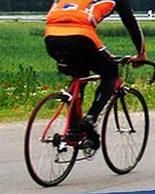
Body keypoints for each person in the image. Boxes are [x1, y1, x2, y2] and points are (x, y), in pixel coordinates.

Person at [43, 0, 146, 149]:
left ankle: (73, 129)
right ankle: (90, 118)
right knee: (110, 73)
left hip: (51, 38)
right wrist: (141, 54)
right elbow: (132, 25)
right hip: (82, 37)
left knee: (79, 74)